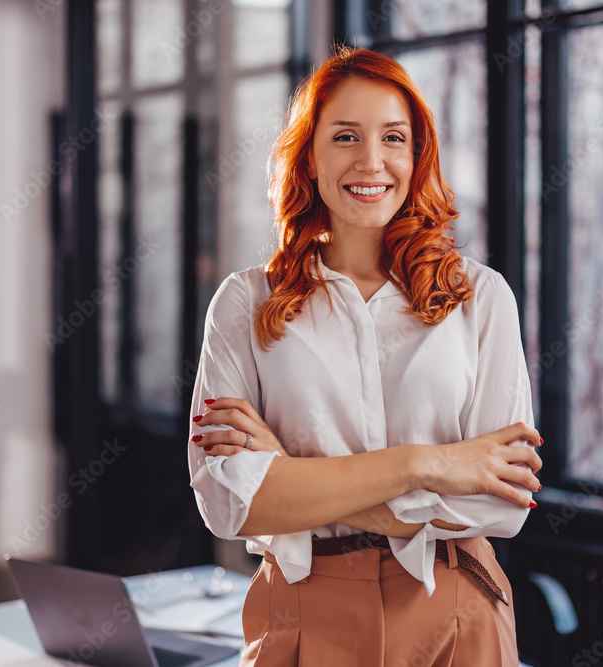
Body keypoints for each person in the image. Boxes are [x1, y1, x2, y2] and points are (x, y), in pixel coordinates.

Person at [187, 45, 543, 667]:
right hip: (300, 613)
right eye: (346, 136)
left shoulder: (480, 297)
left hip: (454, 608)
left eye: (394, 138)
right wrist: (428, 465)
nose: (371, 161)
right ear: (311, 158)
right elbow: (228, 503)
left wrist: (289, 476)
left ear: (417, 154)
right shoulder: (244, 303)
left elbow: (496, 504)